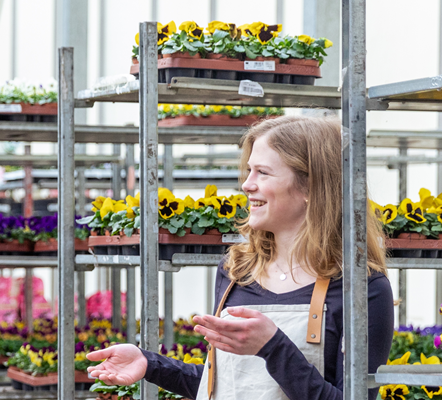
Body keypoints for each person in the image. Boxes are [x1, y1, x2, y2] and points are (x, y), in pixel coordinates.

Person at [86, 116, 394, 400]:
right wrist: (150, 363)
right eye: (248, 170)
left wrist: (273, 347)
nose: (247, 184)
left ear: (310, 187)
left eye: (263, 172)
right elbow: (227, 385)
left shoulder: (363, 289)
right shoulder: (236, 272)